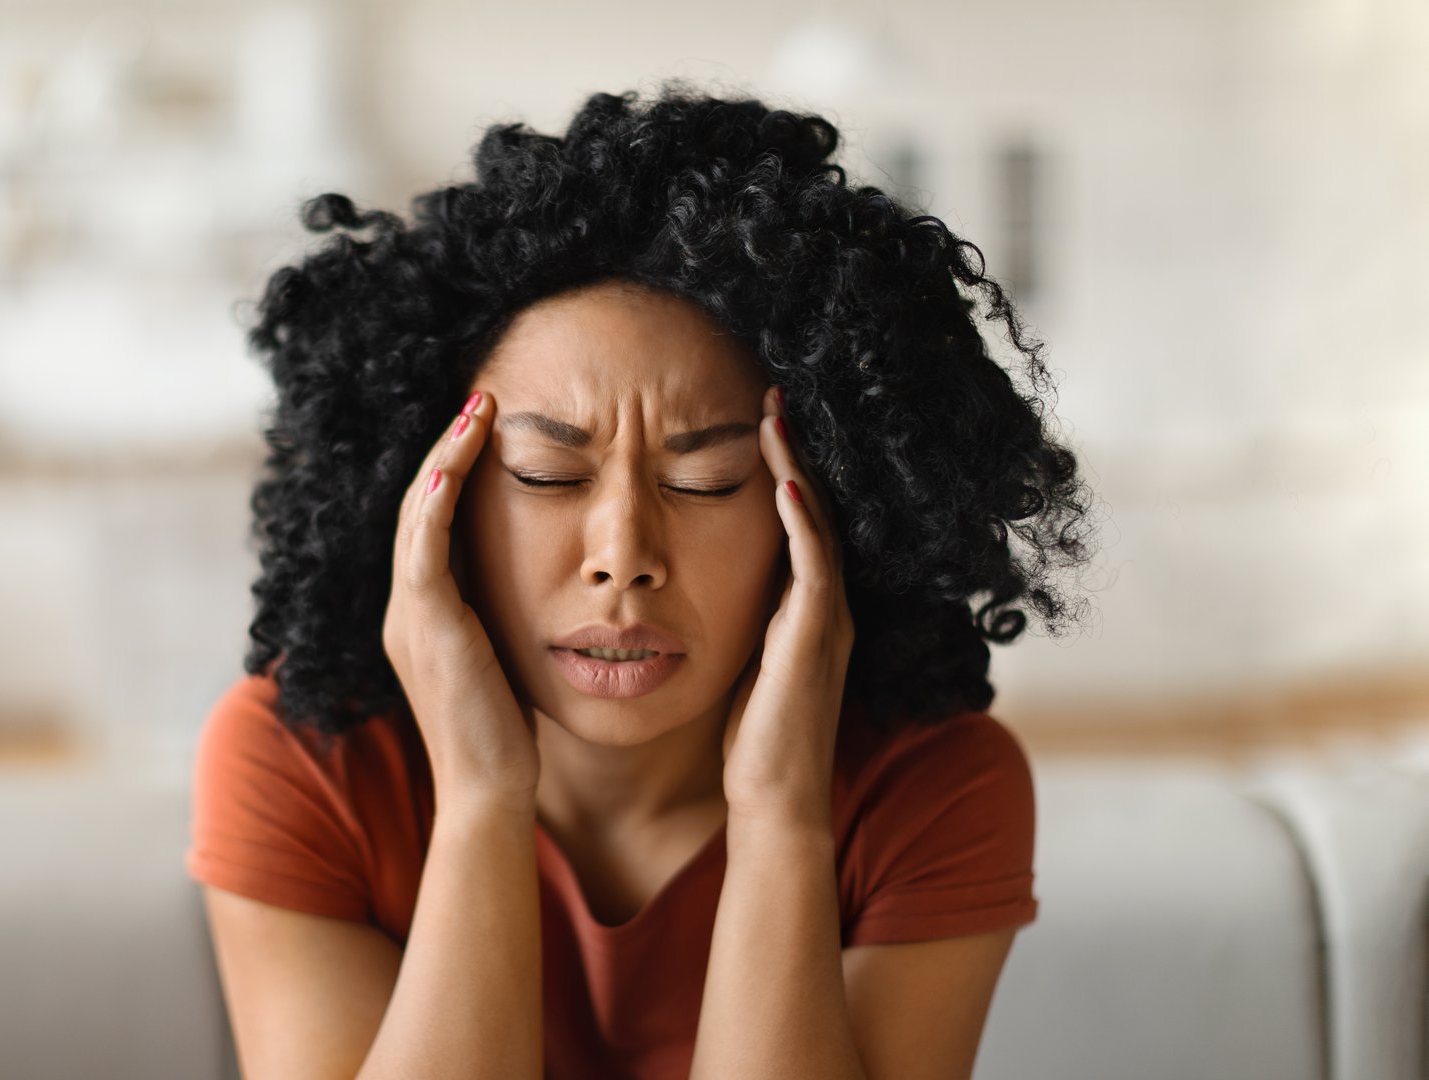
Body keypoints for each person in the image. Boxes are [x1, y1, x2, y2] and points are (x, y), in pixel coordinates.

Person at [185, 80, 1099, 1080]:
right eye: (546, 475)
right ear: (432, 500)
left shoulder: (928, 787)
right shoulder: (302, 764)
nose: (622, 553)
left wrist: (781, 818)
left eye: (705, 481)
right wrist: (484, 800)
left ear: (829, 505)